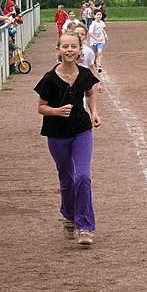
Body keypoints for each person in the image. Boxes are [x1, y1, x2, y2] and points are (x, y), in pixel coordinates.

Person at [34, 31, 101, 247]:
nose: (70, 50)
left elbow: (90, 93)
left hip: (81, 130)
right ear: (58, 50)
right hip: (56, 134)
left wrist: (94, 112)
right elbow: (41, 108)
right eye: (65, 46)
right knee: (67, 178)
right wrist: (56, 111)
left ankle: (85, 226)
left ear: (80, 50)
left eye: (74, 46)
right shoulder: (49, 79)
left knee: (83, 176)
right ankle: (69, 215)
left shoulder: (84, 75)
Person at [74, 26, 102, 93]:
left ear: (86, 37)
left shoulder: (89, 51)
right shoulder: (66, 50)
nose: (79, 36)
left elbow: (92, 67)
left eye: (82, 34)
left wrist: (98, 83)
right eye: (76, 33)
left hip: (82, 80)